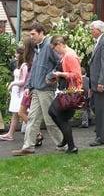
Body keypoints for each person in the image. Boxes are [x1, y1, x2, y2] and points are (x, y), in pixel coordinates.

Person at [12, 23, 63, 156]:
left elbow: (60, 63)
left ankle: (63, 144)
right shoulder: (38, 49)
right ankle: (28, 147)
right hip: (36, 90)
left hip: (46, 90)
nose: (31, 37)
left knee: (50, 120)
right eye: (30, 34)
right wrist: (29, 86)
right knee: (32, 119)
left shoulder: (49, 46)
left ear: (41, 33)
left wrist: (51, 76)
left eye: (33, 34)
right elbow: (34, 70)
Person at [48, 36, 82, 153]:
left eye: (54, 48)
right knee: (55, 113)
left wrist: (60, 74)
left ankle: (71, 146)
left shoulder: (69, 56)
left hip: (70, 92)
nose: (55, 51)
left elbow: (77, 75)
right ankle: (67, 141)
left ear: (59, 44)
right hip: (67, 91)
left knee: (59, 116)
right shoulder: (66, 55)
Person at [0, 47, 28, 141]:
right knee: (15, 113)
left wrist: (13, 83)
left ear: (20, 54)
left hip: (21, 92)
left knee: (21, 113)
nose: (15, 55)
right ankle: (10, 134)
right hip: (16, 92)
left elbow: (23, 81)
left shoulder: (24, 66)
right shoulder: (19, 65)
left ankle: (36, 132)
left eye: (16, 53)